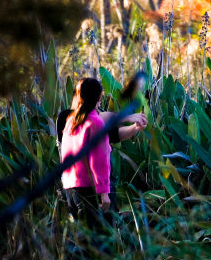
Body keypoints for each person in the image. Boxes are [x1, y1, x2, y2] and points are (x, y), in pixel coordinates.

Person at [56, 85, 147, 217]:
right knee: (95, 230)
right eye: (96, 100)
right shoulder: (67, 117)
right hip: (85, 187)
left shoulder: (94, 118)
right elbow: (99, 119)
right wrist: (126, 116)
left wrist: (134, 128)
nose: (98, 103)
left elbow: (115, 135)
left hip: (95, 184)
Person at [59, 78, 118, 228]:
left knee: (83, 239)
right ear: (99, 97)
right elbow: (98, 160)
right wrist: (104, 192)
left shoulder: (71, 121)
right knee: (101, 239)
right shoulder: (95, 122)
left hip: (71, 188)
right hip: (89, 189)